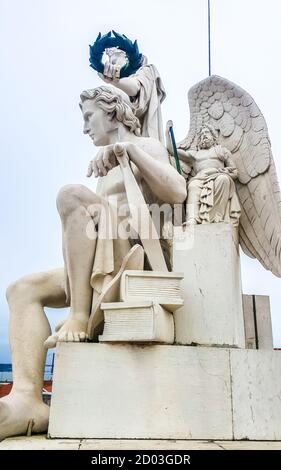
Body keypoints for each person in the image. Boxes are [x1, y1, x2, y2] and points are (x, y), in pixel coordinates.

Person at [0, 85, 186, 440]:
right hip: (102, 262)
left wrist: (129, 151)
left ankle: (80, 316)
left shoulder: (146, 147)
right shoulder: (104, 164)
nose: (85, 127)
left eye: (89, 116)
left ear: (112, 112)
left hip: (131, 261)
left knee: (71, 195)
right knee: (21, 290)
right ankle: (27, 399)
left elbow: (177, 193)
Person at [99, 48, 166, 142]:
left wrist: (115, 81)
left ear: (126, 58)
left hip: (143, 138)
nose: (112, 65)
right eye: (110, 63)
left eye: (114, 61)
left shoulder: (146, 70)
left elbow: (135, 88)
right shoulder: (117, 87)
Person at [180, 124, 241, 226]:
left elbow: (235, 172)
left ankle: (217, 216)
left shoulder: (221, 150)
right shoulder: (195, 154)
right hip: (199, 179)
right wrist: (167, 135)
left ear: (213, 136)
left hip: (217, 176)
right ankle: (192, 219)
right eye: (202, 134)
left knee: (224, 180)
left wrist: (225, 172)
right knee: (192, 186)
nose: (204, 135)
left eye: (206, 132)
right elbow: (173, 150)